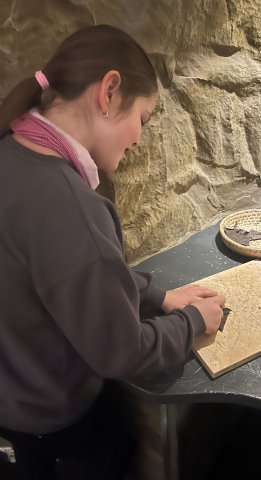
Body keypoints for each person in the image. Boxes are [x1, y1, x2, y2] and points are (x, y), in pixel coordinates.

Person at [0, 24, 226, 480]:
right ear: (109, 91)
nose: (139, 138)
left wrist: (159, 297)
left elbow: (71, 278)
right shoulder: (71, 207)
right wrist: (193, 322)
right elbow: (122, 353)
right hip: (56, 418)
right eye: (142, 119)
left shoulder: (10, 153)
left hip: (12, 398)